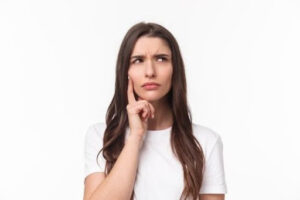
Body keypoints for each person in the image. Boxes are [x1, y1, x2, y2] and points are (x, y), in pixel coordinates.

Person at [83, 21, 227, 200]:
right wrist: (135, 137)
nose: (150, 71)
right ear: (125, 71)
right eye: (138, 60)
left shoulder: (205, 141)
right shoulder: (101, 136)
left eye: (161, 59)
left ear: (175, 69)